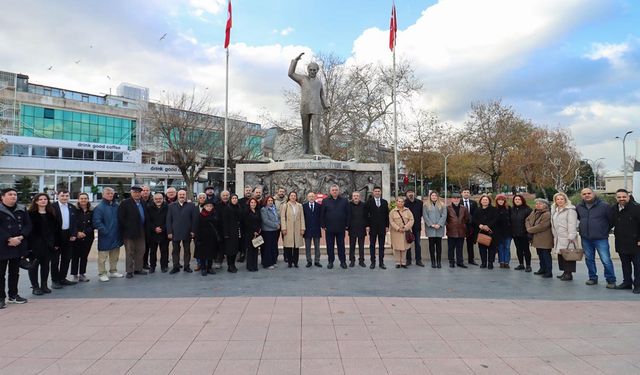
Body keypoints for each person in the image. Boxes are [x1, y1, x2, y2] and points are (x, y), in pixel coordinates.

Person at [288, 52, 329, 155]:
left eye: (314, 70)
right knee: (305, 130)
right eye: (310, 70)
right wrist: (295, 61)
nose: (312, 72)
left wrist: (326, 105)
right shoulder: (302, 79)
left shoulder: (319, 82)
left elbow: (322, 95)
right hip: (305, 107)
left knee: (316, 130)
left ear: (317, 71)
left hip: (316, 108)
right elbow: (290, 74)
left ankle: (316, 150)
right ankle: (305, 149)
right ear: (308, 70)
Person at [576, 188, 616, 288]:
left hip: (600, 238)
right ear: (581, 196)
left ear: (593, 194)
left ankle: (611, 280)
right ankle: (592, 278)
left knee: (606, 260)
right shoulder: (579, 206)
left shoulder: (604, 206)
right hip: (585, 238)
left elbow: (611, 220)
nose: (587, 195)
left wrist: (604, 230)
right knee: (589, 259)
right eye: (584, 194)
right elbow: (580, 219)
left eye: (589, 193)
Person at [0, 188, 32, 308]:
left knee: (14, 272)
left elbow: (28, 224)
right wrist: (9, 239)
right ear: (2, 197)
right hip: (3, 245)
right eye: (10, 194)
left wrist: (21, 237)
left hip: (18, 245)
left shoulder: (21, 209)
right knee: (0, 274)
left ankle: (13, 295)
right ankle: (1, 298)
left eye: (15, 194)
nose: (13, 196)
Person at [27, 193, 60, 295]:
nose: (43, 201)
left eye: (45, 199)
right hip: (35, 245)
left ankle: (44, 285)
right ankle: (35, 287)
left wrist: (56, 243)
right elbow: (28, 231)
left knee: (45, 266)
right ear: (36, 201)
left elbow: (56, 230)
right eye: (40, 199)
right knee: (34, 266)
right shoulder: (30, 214)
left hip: (48, 244)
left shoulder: (51, 214)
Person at [611, 189, 640, 293]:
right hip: (621, 241)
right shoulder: (614, 208)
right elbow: (611, 223)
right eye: (619, 197)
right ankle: (627, 282)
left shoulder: (637, 208)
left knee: (638, 265)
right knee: (625, 264)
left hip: (636, 242)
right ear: (616, 198)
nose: (621, 199)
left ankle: (638, 285)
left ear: (628, 197)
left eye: (624, 197)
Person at [93, 187, 124, 282]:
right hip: (105, 237)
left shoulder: (116, 206)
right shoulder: (99, 208)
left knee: (115, 256)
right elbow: (97, 222)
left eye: (112, 193)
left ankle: (113, 271)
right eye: (108, 193)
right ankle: (102, 273)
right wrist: (106, 232)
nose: (110, 195)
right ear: (103, 195)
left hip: (116, 236)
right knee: (102, 258)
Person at [118, 186, 149, 279]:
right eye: (134, 192)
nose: (137, 194)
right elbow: (121, 218)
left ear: (141, 193)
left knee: (141, 250)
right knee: (130, 252)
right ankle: (129, 271)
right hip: (129, 232)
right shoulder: (125, 203)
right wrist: (126, 228)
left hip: (141, 230)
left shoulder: (143, 203)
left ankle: (138, 269)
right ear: (131, 193)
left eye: (138, 192)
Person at [167, 189, 199, 274]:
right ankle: (175, 266)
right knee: (175, 251)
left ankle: (186, 266)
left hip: (187, 232)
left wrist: (193, 231)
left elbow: (194, 219)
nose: (182, 196)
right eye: (180, 194)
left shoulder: (191, 205)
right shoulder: (171, 206)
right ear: (177, 195)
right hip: (175, 232)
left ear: (186, 196)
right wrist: (169, 232)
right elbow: (168, 220)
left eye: (183, 194)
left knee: (187, 250)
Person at [51, 190, 78, 288]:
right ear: (58, 196)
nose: (65, 198)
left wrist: (74, 234)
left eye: (67, 196)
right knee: (55, 260)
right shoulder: (52, 207)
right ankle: (55, 280)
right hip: (56, 236)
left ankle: (62, 278)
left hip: (68, 235)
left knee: (66, 258)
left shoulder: (72, 207)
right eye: (62, 196)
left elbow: (75, 222)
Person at [321, 185, 350, 269]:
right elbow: (322, 214)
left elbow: (348, 213)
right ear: (330, 191)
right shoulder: (325, 201)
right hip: (329, 228)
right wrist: (323, 225)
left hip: (341, 227)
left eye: (336, 190)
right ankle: (330, 261)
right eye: (333, 190)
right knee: (330, 246)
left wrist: (347, 224)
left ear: (339, 191)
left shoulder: (344, 201)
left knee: (341, 246)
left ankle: (343, 262)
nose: (334, 191)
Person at [551, 192, 578, 281]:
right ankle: (564, 272)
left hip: (567, 237)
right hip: (558, 236)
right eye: (558, 199)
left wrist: (571, 236)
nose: (560, 201)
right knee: (562, 255)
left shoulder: (570, 210)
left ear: (565, 199)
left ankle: (569, 274)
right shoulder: (555, 210)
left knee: (568, 255)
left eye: (562, 199)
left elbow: (572, 223)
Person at [526, 199, 554, 278]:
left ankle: (549, 272)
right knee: (540, 254)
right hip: (537, 238)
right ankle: (542, 269)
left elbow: (542, 226)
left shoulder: (547, 214)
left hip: (545, 238)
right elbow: (527, 220)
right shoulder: (534, 212)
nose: (537, 205)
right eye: (537, 204)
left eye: (540, 204)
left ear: (545, 205)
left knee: (546, 255)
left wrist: (530, 230)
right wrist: (529, 228)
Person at [70, 192, 94, 282]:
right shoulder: (73, 210)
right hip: (76, 237)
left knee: (84, 256)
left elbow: (93, 224)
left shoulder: (92, 210)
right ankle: (75, 275)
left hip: (88, 237)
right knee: (75, 256)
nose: (83, 200)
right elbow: (72, 223)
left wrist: (85, 232)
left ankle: (82, 274)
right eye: (81, 198)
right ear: (78, 200)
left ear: (88, 199)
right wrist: (77, 233)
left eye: (85, 198)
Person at [194, 199, 220, 276]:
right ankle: (203, 268)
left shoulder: (215, 214)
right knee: (202, 254)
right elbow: (197, 227)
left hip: (212, 238)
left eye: (210, 206)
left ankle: (209, 268)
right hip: (202, 238)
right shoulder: (200, 215)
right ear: (204, 207)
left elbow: (218, 225)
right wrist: (198, 238)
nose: (209, 207)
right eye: (207, 206)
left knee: (211, 254)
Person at [365, 186, 388, 269]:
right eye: (376, 191)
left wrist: (387, 226)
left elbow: (386, 215)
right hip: (372, 227)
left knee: (382, 246)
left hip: (382, 227)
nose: (377, 192)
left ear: (381, 192)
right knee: (372, 245)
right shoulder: (369, 202)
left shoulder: (384, 202)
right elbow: (366, 215)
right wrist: (367, 225)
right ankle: (373, 262)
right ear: (373, 192)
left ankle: (381, 262)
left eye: (378, 191)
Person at [472, 195, 498, 269]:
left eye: (486, 200)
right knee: (482, 248)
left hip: (491, 231)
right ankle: (483, 263)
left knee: (491, 248)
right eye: (483, 200)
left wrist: (488, 226)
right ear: (480, 201)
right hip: (481, 232)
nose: (484, 201)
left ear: (489, 201)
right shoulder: (477, 210)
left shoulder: (494, 209)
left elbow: (496, 219)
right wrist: (480, 225)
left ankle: (490, 263)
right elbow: (474, 219)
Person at [281, 191, 305, 268]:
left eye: (294, 195)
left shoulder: (299, 206)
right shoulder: (285, 205)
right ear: (289, 197)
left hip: (297, 228)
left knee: (296, 246)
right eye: (291, 195)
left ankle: (296, 262)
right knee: (288, 246)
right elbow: (283, 217)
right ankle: (290, 262)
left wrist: (302, 228)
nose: (293, 197)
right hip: (288, 228)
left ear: (296, 197)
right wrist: (283, 228)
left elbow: (302, 217)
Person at [389, 196, 414, 269]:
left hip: (405, 232)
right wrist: (397, 228)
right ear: (396, 202)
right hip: (396, 232)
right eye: (399, 201)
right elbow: (391, 221)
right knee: (396, 248)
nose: (400, 203)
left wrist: (405, 227)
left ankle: (403, 262)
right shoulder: (392, 212)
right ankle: (397, 262)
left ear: (404, 203)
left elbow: (411, 220)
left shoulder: (408, 211)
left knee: (404, 248)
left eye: (402, 202)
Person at [423, 191, 447, 269]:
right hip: (430, 228)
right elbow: (425, 216)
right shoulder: (426, 205)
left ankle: (438, 262)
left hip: (439, 228)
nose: (434, 197)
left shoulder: (442, 205)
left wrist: (439, 224)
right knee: (431, 246)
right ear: (430, 196)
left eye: (435, 195)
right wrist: (431, 224)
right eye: (432, 195)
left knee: (439, 246)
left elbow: (444, 215)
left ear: (437, 196)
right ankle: (433, 262)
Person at [147, 192, 170, 273]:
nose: (158, 200)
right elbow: (148, 220)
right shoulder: (149, 208)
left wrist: (162, 228)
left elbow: (169, 220)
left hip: (164, 233)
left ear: (163, 199)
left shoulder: (168, 207)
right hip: (153, 233)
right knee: (152, 251)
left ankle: (164, 266)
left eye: (160, 198)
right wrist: (154, 228)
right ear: (153, 199)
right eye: (156, 199)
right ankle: (152, 266)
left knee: (164, 251)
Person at [446, 193, 469, 268]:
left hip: (461, 231)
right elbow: (445, 219)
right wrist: (449, 225)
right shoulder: (447, 208)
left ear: (460, 199)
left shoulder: (464, 208)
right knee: (451, 248)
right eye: (454, 198)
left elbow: (467, 218)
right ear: (451, 199)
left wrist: (463, 225)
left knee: (460, 248)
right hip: (451, 231)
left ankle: (460, 262)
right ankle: (451, 262)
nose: (456, 199)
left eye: (457, 198)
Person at [511, 194, 533, 272]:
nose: (517, 201)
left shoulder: (527, 209)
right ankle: (521, 264)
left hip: (524, 233)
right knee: (518, 249)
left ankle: (528, 265)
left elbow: (531, 222)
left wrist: (529, 233)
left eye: (519, 199)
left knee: (526, 250)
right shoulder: (512, 209)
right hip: (515, 233)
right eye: (516, 199)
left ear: (522, 200)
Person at [221, 194, 242, 273]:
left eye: (236, 198)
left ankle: (233, 264)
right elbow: (225, 221)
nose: (234, 199)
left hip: (237, 231)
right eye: (233, 198)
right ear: (230, 199)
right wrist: (226, 233)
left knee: (235, 250)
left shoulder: (239, 207)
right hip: (229, 233)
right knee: (230, 250)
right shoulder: (227, 208)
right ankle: (230, 265)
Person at [404, 189, 424, 267]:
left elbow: (422, 214)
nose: (410, 194)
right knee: (408, 244)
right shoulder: (404, 203)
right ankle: (408, 260)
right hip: (408, 227)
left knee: (417, 244)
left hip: (417, 227)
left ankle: (418, 260)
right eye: (409, 193)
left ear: (414, 193)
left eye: (412, 192)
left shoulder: (420, 203)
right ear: (406, 194)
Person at [303, 192, 322, 268]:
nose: (311, 197)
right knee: (308, 247)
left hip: (316, 229)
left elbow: (321, 217)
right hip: (307, 229)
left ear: (315, 197)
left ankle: (317, 261)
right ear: (307, 197)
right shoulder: (303, 206)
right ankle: (309, 261)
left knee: (317, 246)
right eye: (310, 196)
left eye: (312, 196)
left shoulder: (319, 206)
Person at [260, 196, 280, 269]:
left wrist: (279, 224)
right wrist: (275, 225)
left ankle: (273, 261)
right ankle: (267, 263)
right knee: (267, 248)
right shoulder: (264, 209)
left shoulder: (274, 208)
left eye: (271, 200)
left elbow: (277, 217)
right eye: (269, 200)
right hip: (267, 231)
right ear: (266, 201)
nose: (270, 202)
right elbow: (265, 220)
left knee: (273, 247)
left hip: (274, 231)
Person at [242, 198, 262, 272]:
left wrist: (258, 229)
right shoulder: (246, 212)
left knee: (256, 250)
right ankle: (250, 266)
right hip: (249, 233)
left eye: (254, 202)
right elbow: (246, 223)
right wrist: (254, 231)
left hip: (257, 233)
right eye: (252, 202)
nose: (253, 204)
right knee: (250, 250)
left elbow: (260, 221)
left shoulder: (257, 211)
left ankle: (255, 265)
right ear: (249, 203)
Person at [348, 191, 367, 268]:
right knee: (352, 246)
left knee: (361, 246)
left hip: (361, 228)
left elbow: (366, 216)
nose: (356, 197)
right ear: (352, 197)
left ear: (360, 197)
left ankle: (361, 261)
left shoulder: (364, 205)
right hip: (352, 228)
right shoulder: (349, 205)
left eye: (357, 196)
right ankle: (352, 261)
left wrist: (366, 225)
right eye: (354, 196)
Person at [494, 194, 512, 269]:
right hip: (498, 232)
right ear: (496, 201)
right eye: (499, 200)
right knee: (500, 247)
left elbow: (511, 219)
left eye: (502, 200)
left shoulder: (509, 208)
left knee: (507, 247)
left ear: (504, 201)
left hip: (508, 231)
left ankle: (506, 262)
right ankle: (501, 262)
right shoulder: (494, 209)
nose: (500, 201)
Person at [214, 190, 231, 268]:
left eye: (227, 195)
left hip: (230, 229)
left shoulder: (232, 204)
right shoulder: (217, 205)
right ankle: (219, 261)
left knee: (230, 247)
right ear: (221, 197)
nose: (225, 197)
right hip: (220, 229)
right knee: (220, 247)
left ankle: (231, 263)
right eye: (223, 195)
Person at [461, 189, 478, 265]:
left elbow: (475, 214)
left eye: (468, 192)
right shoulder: (459, 202)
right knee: (459, 243)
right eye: (465, 192)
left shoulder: (474, 203)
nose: (466, 194)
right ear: (462, 193)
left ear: (469, 194)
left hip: (471, 226)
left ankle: (471, 259)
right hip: (460, 226)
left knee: (470, 244)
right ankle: (459, 259)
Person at [140, 185, 152, 270]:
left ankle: (145, 263)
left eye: (147, 190)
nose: (145, 192)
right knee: (139, 248)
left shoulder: (152, 201)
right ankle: (138, 264)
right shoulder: (137, 201)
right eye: (143, 190)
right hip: (139, 229)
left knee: (147, 247)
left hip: (150, 228)